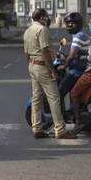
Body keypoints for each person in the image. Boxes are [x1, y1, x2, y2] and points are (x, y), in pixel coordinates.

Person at [23, 8, 75, 140]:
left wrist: (31, 64)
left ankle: (37, 128)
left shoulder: (28, 31)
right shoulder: (42, 29)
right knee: (54, 97)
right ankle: (60, 129)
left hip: (32, 65)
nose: (48, 19)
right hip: (42, 66)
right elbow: (45, 50)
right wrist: (52, 70)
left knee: (37, 98)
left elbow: (26, 53)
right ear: (41, 17)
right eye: (46, 17)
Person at [58, 12, 90, 100]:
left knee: (60, 91)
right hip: (84, 67)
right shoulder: (82, 35)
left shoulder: (78, 36)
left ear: (78, 24)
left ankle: (66, 113)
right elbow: (78, 53)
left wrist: (63, 66)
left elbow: (72, 56)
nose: (69, 25)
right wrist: (65, 57)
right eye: (67, 23)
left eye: (72, 23)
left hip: (78, 70)